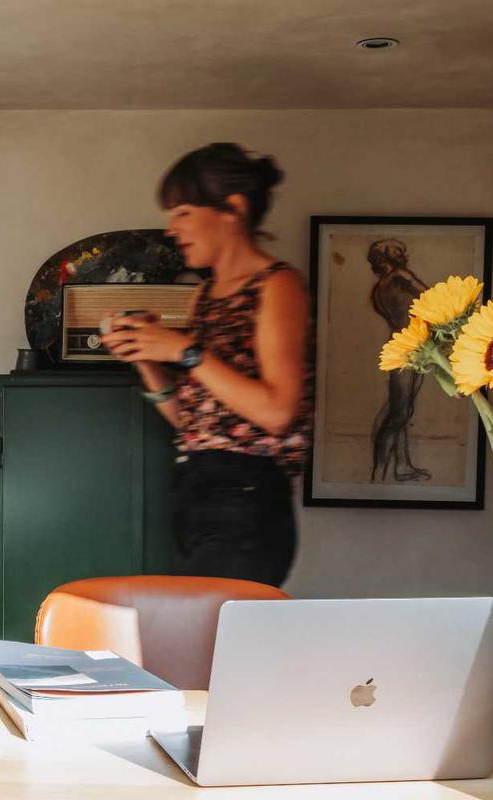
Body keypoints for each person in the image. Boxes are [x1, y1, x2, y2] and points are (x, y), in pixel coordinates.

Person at [101, 142, 313, 587]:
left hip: (246, 498)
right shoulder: (205, 295)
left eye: (183, 213)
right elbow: (193, 422)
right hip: (195, 491)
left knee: (204, 628)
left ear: (233, 209)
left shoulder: (278, 285)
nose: (171, 229)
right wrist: (146, 358)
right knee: (201, 629)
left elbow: (277, 412)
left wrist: (184, 350)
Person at [367, 239, 430, 482]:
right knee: (399, 413)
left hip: (400, 346)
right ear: (387, 255)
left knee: (401, 408)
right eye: (398, 250)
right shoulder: (400, 276)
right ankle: (379, 472)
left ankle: (402, 466)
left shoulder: (378, 289)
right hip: (409, 348)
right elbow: (430, 296)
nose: (403, 253)